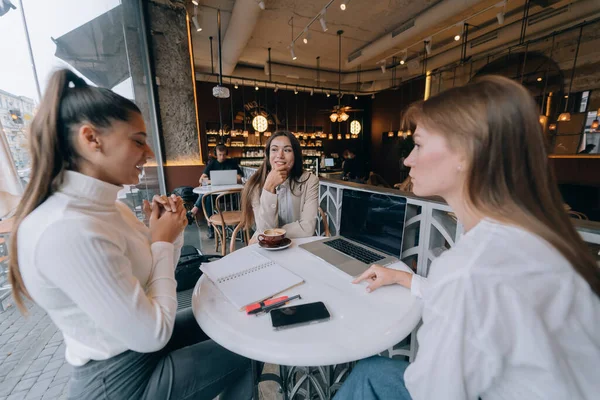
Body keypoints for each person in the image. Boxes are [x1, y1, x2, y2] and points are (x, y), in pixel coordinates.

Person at [334, 76, 600, 400]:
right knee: (371, 374)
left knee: (367, 375)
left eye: (418, 144)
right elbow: (486, 307)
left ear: (465, 152)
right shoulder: (534, 232)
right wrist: (407, 280)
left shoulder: (467, 269)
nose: (407, 160)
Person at [9, 69, 251, 400]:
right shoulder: (66, 229)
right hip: (119, 381)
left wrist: (171, 234)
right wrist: (162, 242)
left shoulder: (112, 208)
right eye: (138, 141)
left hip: (139, 347)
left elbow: (155, 274)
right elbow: (153, 334)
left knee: (239, 319)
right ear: (91, 139)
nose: (149, 154)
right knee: (248, 349)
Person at [241, 131, 319, 240]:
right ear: (268, 155)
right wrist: (269, 187)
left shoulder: (310, 180)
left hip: (300, 244)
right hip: (268, 247)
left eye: (287, 150)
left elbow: (308, 228)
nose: (280, 155)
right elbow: (264, 229)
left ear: (295, 155)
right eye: (274, 149)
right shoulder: (255, 184)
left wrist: (273, 232)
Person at [191, 143, 243, 238]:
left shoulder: (232, 163)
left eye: (224, 154)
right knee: (207, 197)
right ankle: (211, 227)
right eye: (220, 155)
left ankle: (196, 210)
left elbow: (240, 177)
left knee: (207, 195)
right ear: (216, 154)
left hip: (230, 195)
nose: (222, 157)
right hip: (215, 196)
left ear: (226, 153)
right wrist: (213, 181)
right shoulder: (212, 164)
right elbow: (201, 180)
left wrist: (231, 178)